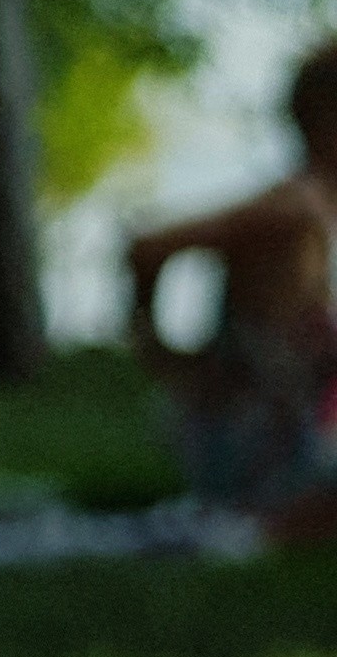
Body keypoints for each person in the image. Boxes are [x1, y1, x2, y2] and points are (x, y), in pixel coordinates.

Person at [126, 39, 337, 526]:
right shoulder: (292, 210)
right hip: (257, 440)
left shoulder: (319, 212)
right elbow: (149, 246)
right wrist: (166, 356)